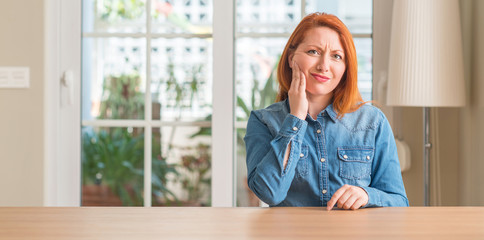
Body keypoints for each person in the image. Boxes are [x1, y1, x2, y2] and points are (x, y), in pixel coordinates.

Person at [244, 12, 409, 210]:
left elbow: (399, 202)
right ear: (291, 58)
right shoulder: (263, 121)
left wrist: (367, 195)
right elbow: (269, 192)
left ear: (346, 68)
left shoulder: (373, 122)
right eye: (313, 52)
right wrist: (295, 118)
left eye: (336, 56)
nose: (324, 66)